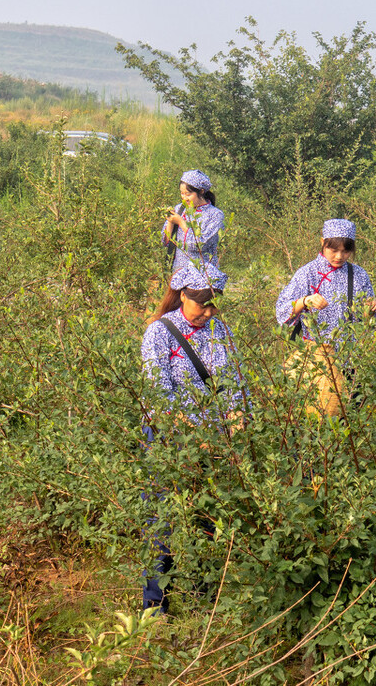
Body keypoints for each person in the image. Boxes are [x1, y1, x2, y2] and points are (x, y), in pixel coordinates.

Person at [140, 263, 244, 613]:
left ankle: (204, 602)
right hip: (169, 438)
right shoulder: (160, 332)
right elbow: (159, 390)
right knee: (164, 518)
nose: (208, 312)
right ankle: (154, 606)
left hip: (212, 437)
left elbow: (230, 381)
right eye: (203, 304)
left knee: (207, 518)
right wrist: (190, 432)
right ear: (183, 295)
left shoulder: (219, 330)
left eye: (214, 304)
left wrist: (235, 417)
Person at [274, 219, 376, 418]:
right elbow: (282, 310)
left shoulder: (358, 275)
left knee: (346, 418)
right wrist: (305, 301)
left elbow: (368, 320)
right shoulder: (307, 273)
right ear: (323, 242)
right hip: (315, 361)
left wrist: (372, 310)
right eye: (333, 250)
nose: (339, 256)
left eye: (345, 251)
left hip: (348, 360)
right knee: (309, 418)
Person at [162, 170, 224, 271]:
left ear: (201, 191)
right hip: (179, 273)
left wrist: (181, 222)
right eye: (182, 193)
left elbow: (200, 245)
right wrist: (170, 221)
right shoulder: (179, 209)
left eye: (188, 194)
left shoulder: (215, 215)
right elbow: (165, 242)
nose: (184, 198)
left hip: (204, 275)